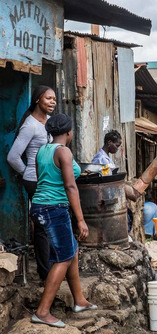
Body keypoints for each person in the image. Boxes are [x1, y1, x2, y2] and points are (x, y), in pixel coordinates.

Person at [29, 114, 96, 328]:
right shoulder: (64, 151)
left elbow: (43, 179)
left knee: (71, 250)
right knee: (64, 257)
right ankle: (42, 311)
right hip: (54, 209)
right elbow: (70, 186)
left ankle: (79, 301)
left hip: (39, 206)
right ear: (69, 133)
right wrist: (81, 219)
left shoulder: (42, 151)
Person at [7, 86, 56, 284]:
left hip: (47, 180)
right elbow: (13, 156)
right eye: (48, 98)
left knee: (51, 225)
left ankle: (51, 269)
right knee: (43, 228)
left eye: (54, 99)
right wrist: (28, 172)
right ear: (37, 100)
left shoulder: (49, 122)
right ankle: (45, 274)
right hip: (35, 181)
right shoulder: (30, 125)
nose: (52, 102)